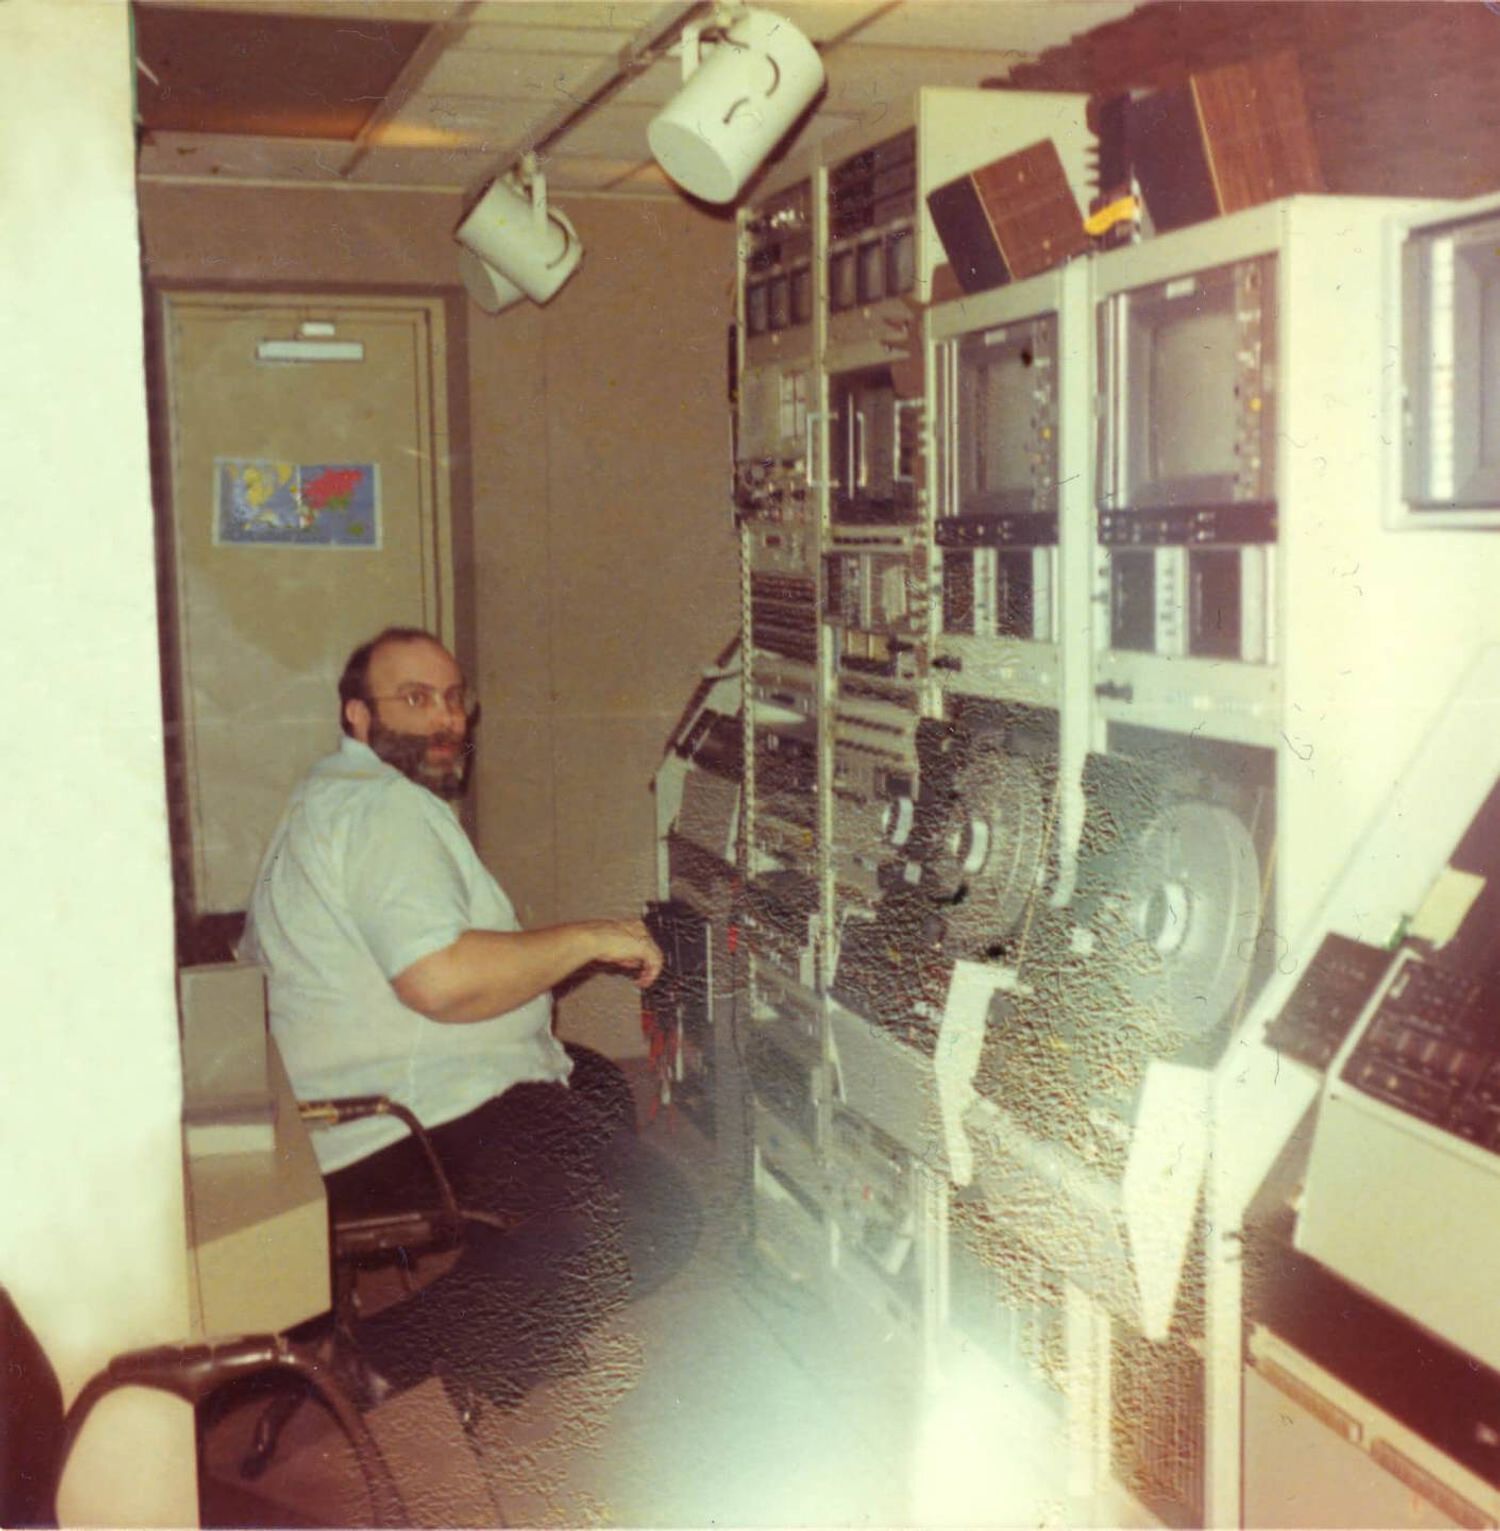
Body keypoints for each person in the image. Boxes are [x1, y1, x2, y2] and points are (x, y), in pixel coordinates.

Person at [241, 625, 667, 1405]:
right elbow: (437, 981)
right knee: (661, 1218)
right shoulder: (382, 813)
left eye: (452, 698)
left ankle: (514, 1319)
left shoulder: (337, 793)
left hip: (357, 1100)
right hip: (395, 1118)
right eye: (414, 698)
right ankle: (369, 1361)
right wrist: (590, 938)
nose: (445, 719)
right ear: (358, 718)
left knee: (598, 1087)